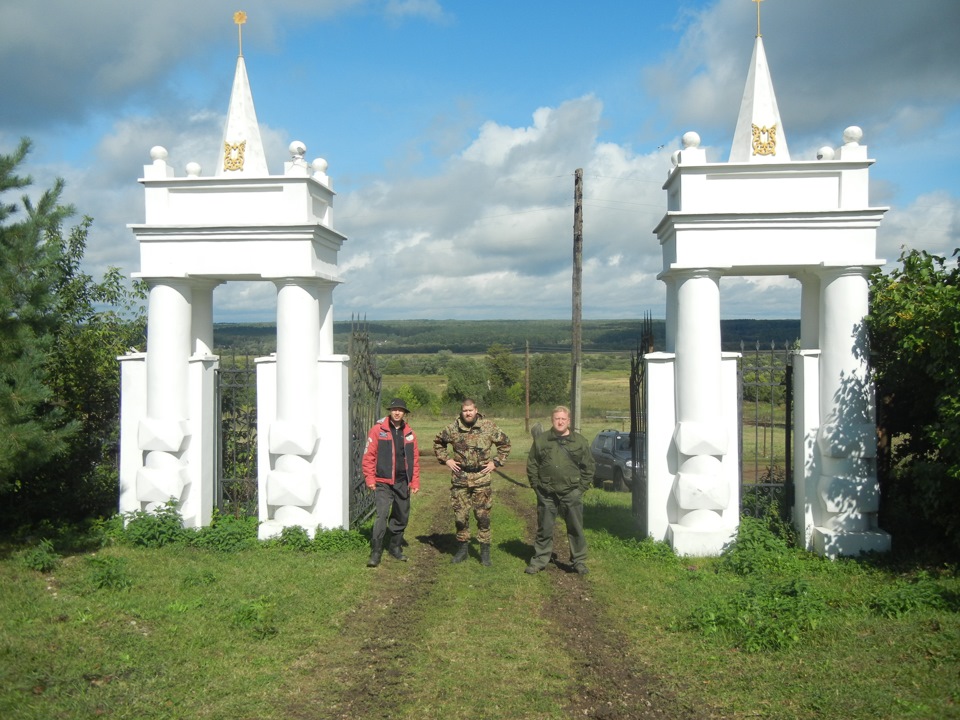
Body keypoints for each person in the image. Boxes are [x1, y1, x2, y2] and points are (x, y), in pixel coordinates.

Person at [433, 398, 511, 566]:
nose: (467, 413)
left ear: (476, 410)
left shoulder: (488, 427)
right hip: (460, 479)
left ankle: (485, 552)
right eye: (465, 410)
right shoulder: (453, 428)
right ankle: (462, 550)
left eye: (470, 410)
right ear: (461, 412)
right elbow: (438, 443)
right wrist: (446, 460)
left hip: (481, 479)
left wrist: (496, 462)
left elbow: (505, 443)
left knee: (483, 517)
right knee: (461, 517)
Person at [525, 405, 595, 575]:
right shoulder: (541, 440)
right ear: (552, 420)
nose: (560, 422)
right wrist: (536, 486)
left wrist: (580, 489)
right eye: (557, 419)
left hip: (572, 492)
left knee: (575, 528)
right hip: (547, 493)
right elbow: (532, 464)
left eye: (563, 419)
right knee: (545, 528)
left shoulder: (579, 441)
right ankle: (540, 560)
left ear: (569, 421)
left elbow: (589, 467)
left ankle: (578, 561)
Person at [362, 398, 420, 567]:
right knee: (382, 515)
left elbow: (414, 459)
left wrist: (415, 481)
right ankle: (376, 552)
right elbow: (369, 457)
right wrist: (370, 478)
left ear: (404, 413)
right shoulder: (377, 430)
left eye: (400, 410)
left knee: (402, 516)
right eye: (394, 409)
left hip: (402, 481)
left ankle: (395, 547)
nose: (397, 412)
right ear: (390, 411)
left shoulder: (409, 433)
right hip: (382, 481)